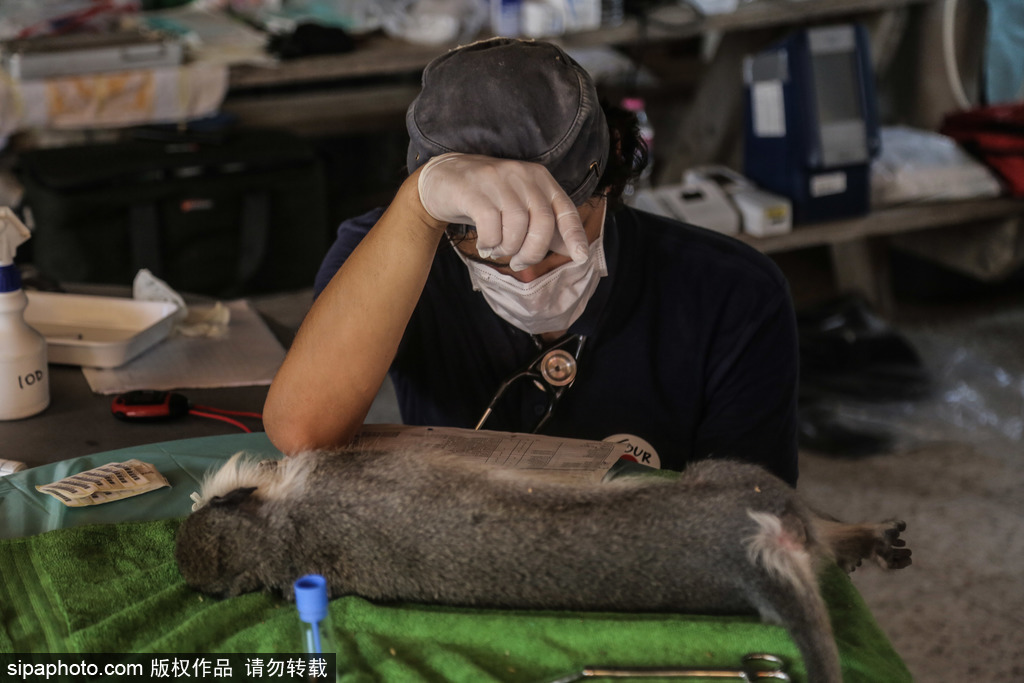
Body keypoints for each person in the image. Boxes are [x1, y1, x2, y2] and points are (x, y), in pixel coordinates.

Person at [263, 37, 800, 485]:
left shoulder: (732, 292)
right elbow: (305, 436)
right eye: (482, 245)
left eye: (552, 238)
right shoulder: (387, 252)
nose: (523, 273)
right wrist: (418, 204)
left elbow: (754, 515)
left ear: (609, 178)